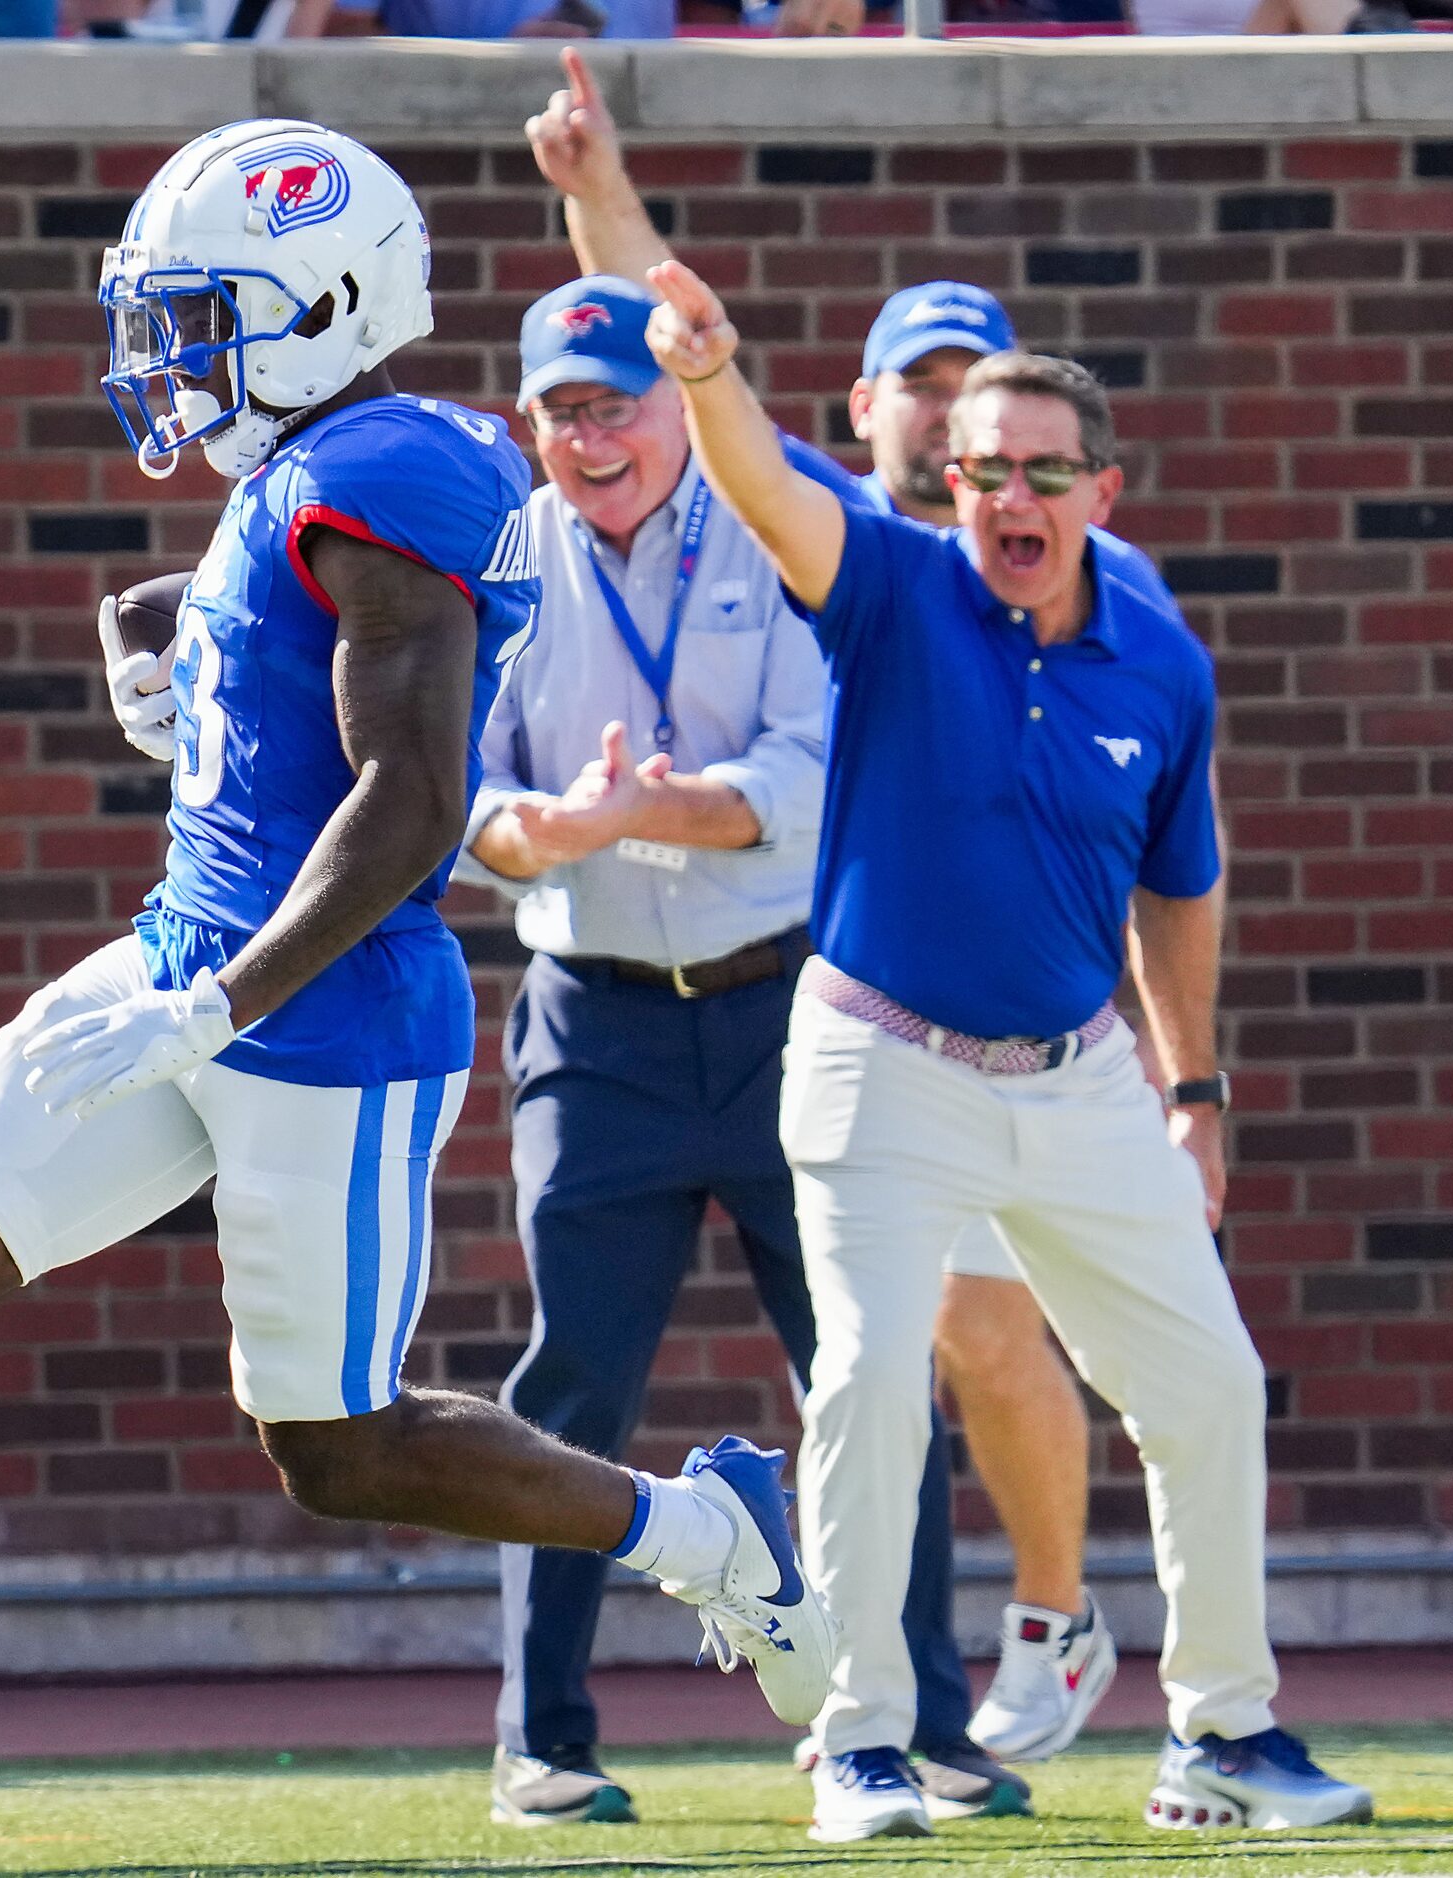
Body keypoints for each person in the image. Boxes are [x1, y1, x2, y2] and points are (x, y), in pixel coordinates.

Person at [0, 119, 835, 1809]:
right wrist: (179, 630)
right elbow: (287, 609)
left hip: (325, 1014)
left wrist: (220, 1004)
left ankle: (705, 1529)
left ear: (324, 305)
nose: (165, 356)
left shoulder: (389, 478)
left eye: (200, 314)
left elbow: (415, 794)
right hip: (176, 955)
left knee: (341, 1451)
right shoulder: (313, 473)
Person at [635, 256, 1380, 1842]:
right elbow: (764, 482)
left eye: (1049, 472)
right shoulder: (896, 589)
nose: (1014, 498)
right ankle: (860, 1747)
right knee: (866, 1387)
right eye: (986, 471)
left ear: (1101, 491)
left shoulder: (1161, 661)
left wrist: (1196, 1095)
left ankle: (1225, 1738)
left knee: (1207, 1384)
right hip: (878, 1059)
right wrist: (702, 372)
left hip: (1082, 1073)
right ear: (949, 482)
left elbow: (1180, 892)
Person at [526, 47, 1118, 1777]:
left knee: (980, 1342)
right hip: (813, 1002)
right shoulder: (829, 532)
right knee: (898, 1350)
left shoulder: (1072, 563)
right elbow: (680, 351)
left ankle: (1035, 1636)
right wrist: (592, 193)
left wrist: (1169, 1050)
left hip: (986, 1002)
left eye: (974, 388)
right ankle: (948, 1681)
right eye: (914, 387)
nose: (946, 417)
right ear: (859, 411)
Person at [463, 275, 1025, 1830]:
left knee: (861, 1367)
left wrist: (644, 808)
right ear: (533, 426)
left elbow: (797, 771)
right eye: (561, 410)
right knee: (570, 1378)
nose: (592, 438)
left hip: (796, 1007)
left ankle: (910, 1718)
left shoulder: (769, 523)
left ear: (671, 409)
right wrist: (540, 831)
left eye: (617, 404)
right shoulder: (502, 560)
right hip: (593, 1021)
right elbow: (467, 789)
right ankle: (543, 1738)